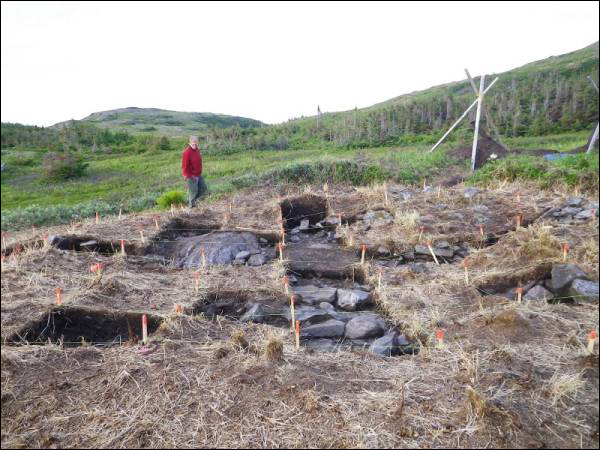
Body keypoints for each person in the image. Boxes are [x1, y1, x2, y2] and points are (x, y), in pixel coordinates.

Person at [181, 135, 208, 208]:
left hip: (198, 174)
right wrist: (186, 175)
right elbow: (184, 165)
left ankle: (193, 202)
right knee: (193, 192)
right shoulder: (187, 152)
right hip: (191, 176)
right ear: (189, 143)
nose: (195, 145)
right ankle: (191, 208)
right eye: (193, 143)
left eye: (196, 143)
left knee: (203, 189)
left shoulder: (197, 150)